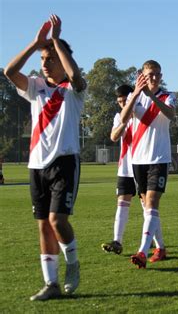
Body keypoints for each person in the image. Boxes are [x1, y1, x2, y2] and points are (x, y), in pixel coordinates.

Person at [4, 15, 86, 300]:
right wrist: (37, 43)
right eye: (42, 59)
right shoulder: (36, 86)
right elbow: (9, 71)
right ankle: (51, 284)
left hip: (64, 162)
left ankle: (73, 264)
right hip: (36, 165)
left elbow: (75, 77)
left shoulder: (73, 91)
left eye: (49, 58)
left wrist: (55, 41)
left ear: (62, 60)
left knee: (57, 220)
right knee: (43, 224)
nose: (44, 63)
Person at [120, 60, 176, 268]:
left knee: (152, 203)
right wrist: (135, 94)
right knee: (147, 207)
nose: (154, 77)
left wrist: (151, 95)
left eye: (157, 74)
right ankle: (160, 247)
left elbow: (171, 114)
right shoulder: (135, 98)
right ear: (141, 75)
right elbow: (124, 118)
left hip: (159, 159)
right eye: (150, 74)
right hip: (138, 160)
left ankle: (143, 251)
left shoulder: (168, 96)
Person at [101, 85, 136, 254]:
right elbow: (114, 136)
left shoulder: (141, 113)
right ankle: (117, 241)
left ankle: (154, 241)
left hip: (142, 165)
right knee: (122, 203)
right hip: (125, 167)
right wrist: (125, 119)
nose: (122, 104)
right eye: (120, 102)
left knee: (148, 205)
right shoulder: (118, 117)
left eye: (125, 101)